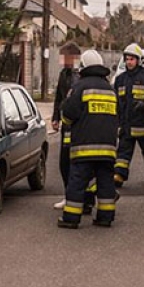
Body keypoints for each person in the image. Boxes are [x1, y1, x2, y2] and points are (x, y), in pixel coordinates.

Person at [57, 49, 119, 229]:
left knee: (77, 183)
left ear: (83, 67)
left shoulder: (79, 87)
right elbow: (118, 116)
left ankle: (71, 219)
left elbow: (68, 114)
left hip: (84, 146)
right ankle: (105, 217)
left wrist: (65, 120)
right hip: (108, 147)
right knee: (105, 182)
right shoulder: (110, 89)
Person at [113, 43, 144, 186]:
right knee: (123, 151)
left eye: (132, 59)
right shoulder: (120, 79)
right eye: (127, 59)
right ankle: (119, 175)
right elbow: (115, 100)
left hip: (143, 125)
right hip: (126, 125)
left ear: (139, 60)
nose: (129, 62)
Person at [51, 41, 82, 210]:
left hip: (77, 126)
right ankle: (68, 194)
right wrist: (56, 117)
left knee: (76, 162)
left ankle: (78, 197)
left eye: (65, 57)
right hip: (66, 124)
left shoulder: (80, 76)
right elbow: (59, 97)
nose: (62, 61)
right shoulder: (64, 74)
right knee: (64, 162)